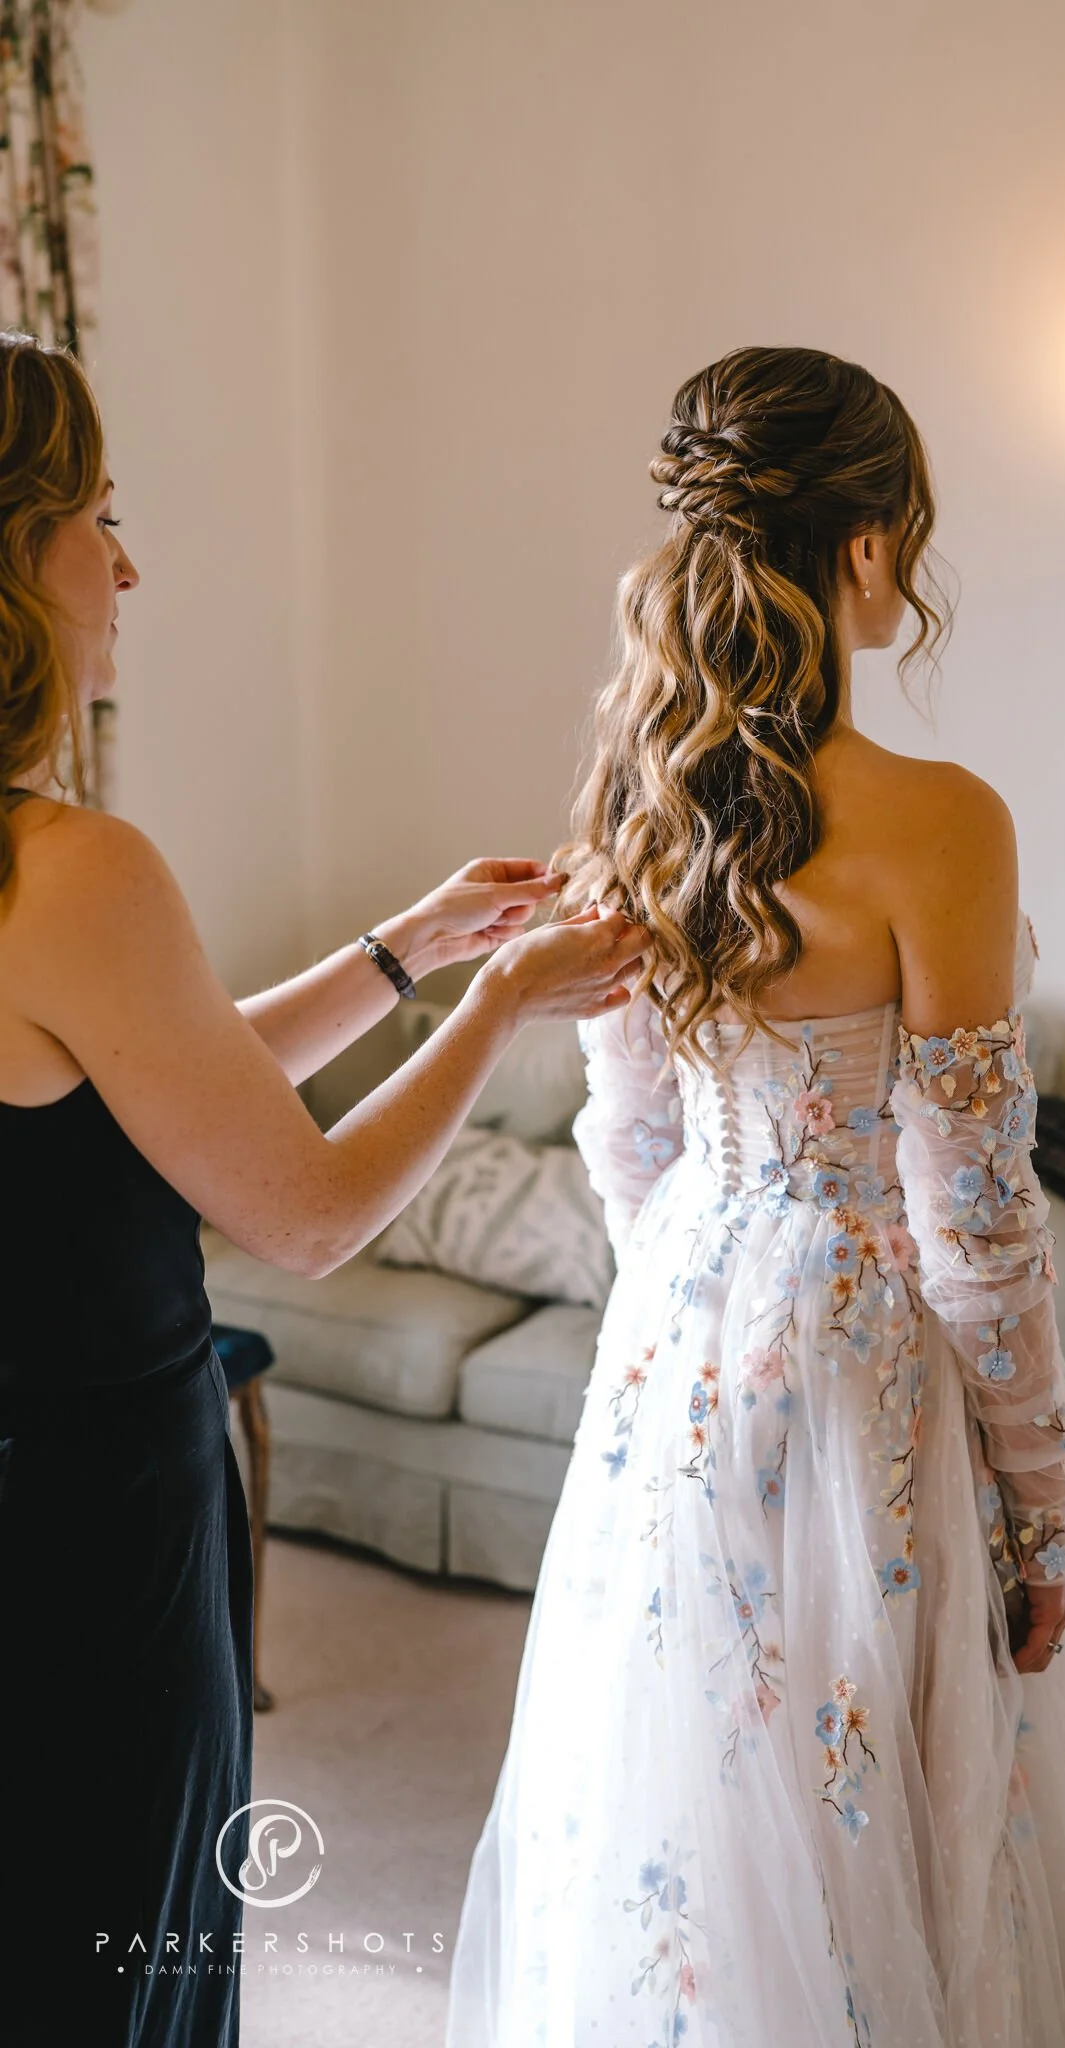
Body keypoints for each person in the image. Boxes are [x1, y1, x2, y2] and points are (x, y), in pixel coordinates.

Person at [447, 347, 1065, 2046]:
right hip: (869, 1345)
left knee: (709, 1788)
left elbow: (626, 1141)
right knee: (909, 1787)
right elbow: (977, 1214)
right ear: (867, 544)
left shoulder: (632, 800)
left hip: (683, 1335)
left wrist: (697, 1304)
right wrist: (1042, 1480)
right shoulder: (944, 823)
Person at [0, 329, 644, 2048]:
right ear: (12, 551)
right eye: (97, 515)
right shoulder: (70, 868)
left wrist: (406, 952)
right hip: (87, 1522)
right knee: (112, 1930)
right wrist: (504, 998)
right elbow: (305, 1213)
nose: (126, 563)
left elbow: (154, 1080)